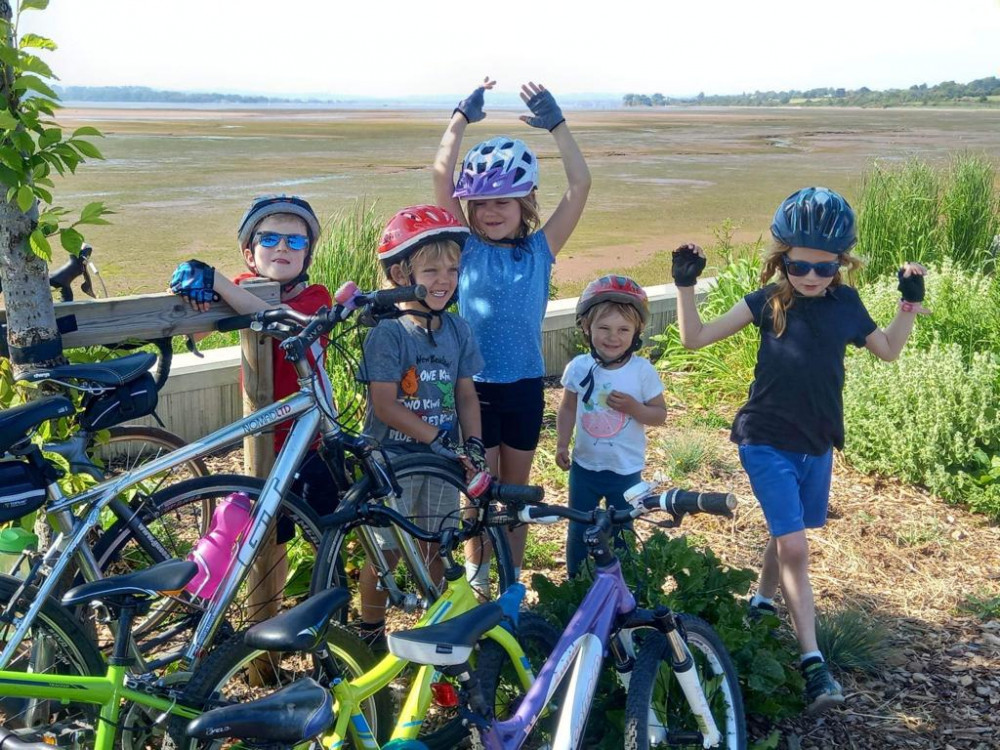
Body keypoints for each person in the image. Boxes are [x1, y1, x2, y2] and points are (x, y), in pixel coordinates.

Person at [671, 186, 929, 714]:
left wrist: (910, 303)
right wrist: (685, 285)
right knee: (794, 547)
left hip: (818, 445)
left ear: (841, 265)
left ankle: (762, 604)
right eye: (799, 265)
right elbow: (694, 338)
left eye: (824, 267)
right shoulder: (766, 303)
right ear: (781, 259)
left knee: (787, 532)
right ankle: (814, 667)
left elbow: (890, 351)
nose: (811, 276)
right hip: (765, 440)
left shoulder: (847, 305)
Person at [433, 77, 591, 584]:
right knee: (477, 489)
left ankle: (511, 584)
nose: (489, 211)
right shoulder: (466, 246)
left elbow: (580, 185)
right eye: (479, 203)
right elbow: (440, 175)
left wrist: (558, 125)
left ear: (526, 203)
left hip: (524, 386)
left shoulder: (540, 250)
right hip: (471, 391)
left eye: (503, 201)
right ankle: (476, 579)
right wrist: (460, 117)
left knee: (516, 494)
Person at [168, 195, 337, 607]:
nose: (283, 248)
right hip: (263, 443)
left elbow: (280, 322)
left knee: (329, 534)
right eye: (270, 239)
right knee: (268, 537)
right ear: (249, 252)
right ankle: (268, 622)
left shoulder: (317, 296)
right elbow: (192, 334)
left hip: (311, 441)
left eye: (296, 242)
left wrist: (219, 281)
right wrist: (191, 294)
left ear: (308, 254)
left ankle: (328, 611)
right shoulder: (241, 290)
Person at [355, 204, 487, 647]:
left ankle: (435, 629)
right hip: (391, 460)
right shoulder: (390, 333)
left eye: (451, 269)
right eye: (430, 270)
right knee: (385, 551)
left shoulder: (457, 329)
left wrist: (473, 446)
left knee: (438, 544)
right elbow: (385, 405)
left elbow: (466, 394)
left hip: (440, 460)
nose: (444, 280)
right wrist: (440, 438)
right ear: (398, 274)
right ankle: (370, 632)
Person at [556, 275, 667, 576]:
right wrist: (562, 444)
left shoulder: (642, 372)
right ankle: (575, 584)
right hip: (585, 468)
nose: (612, 337)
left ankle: (623, 586)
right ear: (586, 328)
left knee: (622, 532)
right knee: (580, 528)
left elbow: (659, 415)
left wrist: (635, 408)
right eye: (603, 328)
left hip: (625, 470)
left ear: (637, 333)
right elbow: (567, 408)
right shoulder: (579, 367)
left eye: (623, 330)